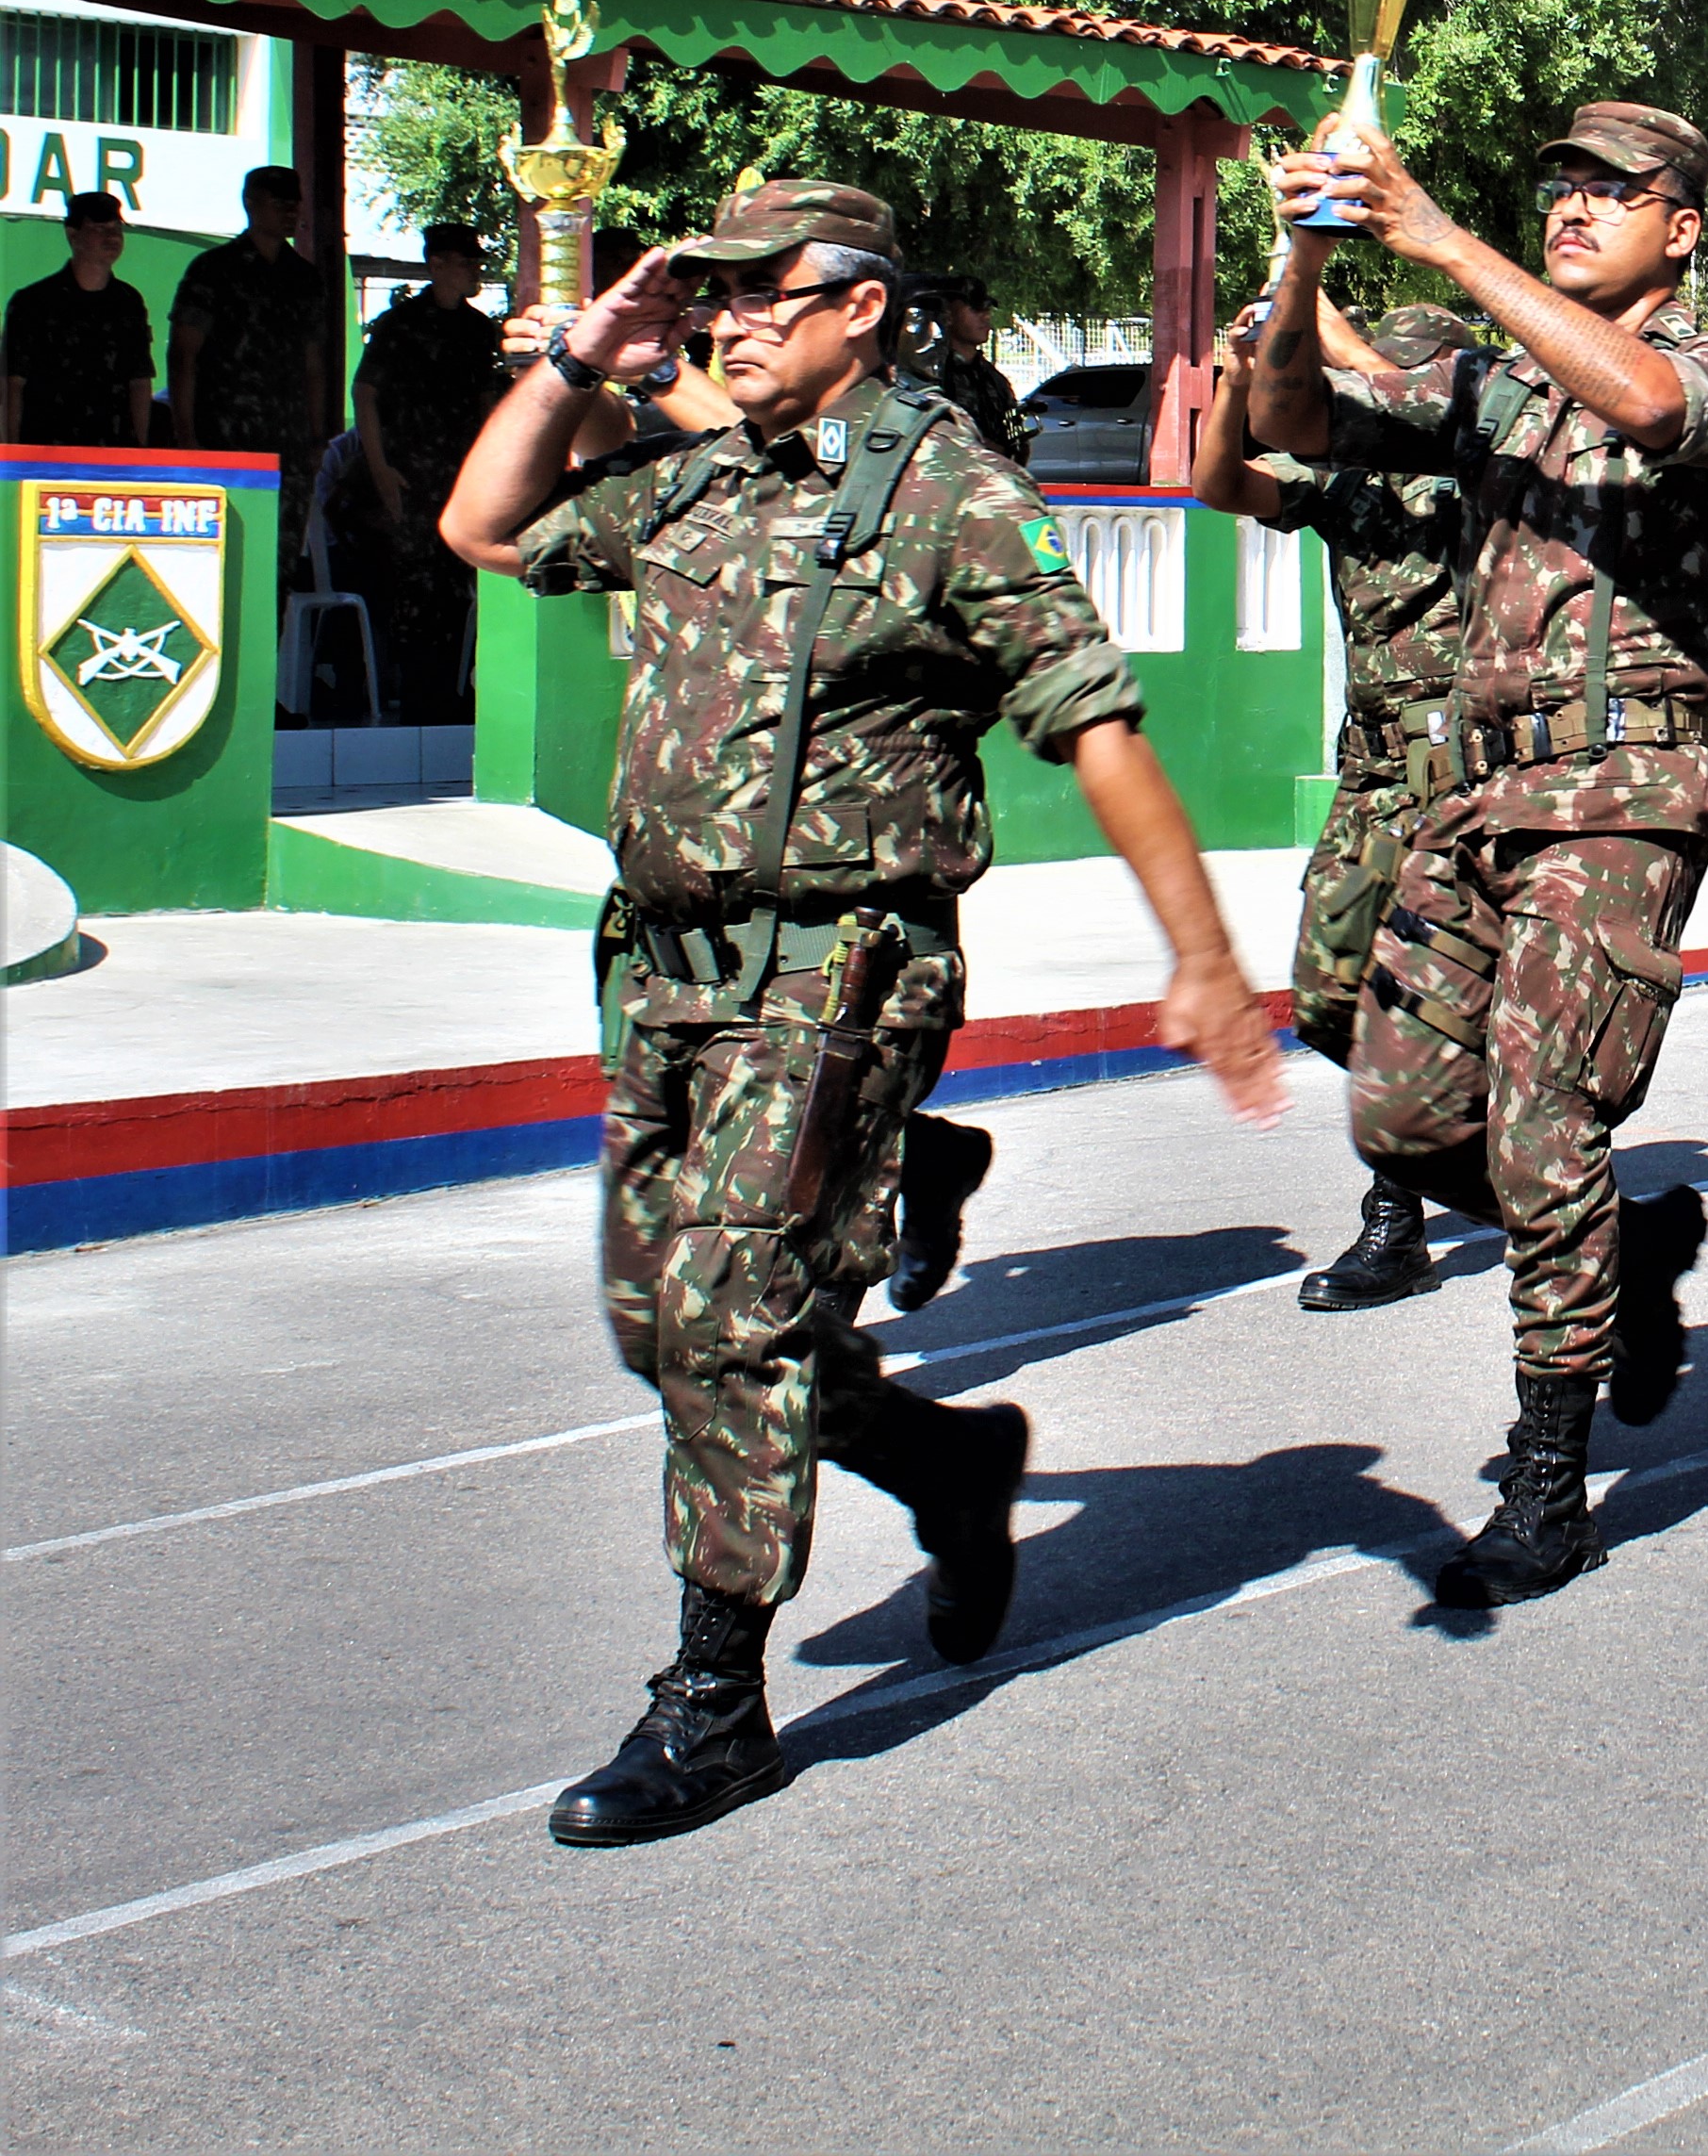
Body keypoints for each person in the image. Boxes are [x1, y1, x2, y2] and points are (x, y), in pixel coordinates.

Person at [441, 179, 1280, 1848]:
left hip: (836, 975)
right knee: (658, 1318)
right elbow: (483, 528)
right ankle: (948, 1466)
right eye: (714, 296)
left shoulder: (953, 495)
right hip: (668, 975)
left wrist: (1201, 961)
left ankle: (711, 1707)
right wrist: (568, 363)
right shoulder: (697, 475)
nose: (731, 319)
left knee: (729, 1320)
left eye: (769, 294)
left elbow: (1094, 721)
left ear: (863, 310)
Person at [1255, 104, 1708, 1605]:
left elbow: (1654, 410)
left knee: (1542, 1120)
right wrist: (1305, 260)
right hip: (1477, 796)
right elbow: (1289, 425)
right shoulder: (1493, 388)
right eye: (1559, 189)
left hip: (1621, 797)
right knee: (1402, 1114)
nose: (1572, 210)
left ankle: (1549, 1475)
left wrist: (1439, 238)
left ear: (1680, 227)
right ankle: (1619, 1253)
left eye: (1612, 194)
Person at [1193, 267, 1474, 1310]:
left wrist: (1328, 336)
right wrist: (1235, 379)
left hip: (1463, 767)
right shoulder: (1349, 479)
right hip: (1372, 766)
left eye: (1409, 380)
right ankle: (1472, 1159)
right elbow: (1222, 484)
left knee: (1425, 996)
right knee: (1327, 990)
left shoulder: (1476, 469)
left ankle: (1396, 1220)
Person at [352, 221, 509, 719]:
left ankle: (450, 701)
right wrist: (378, 468)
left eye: (476, 261)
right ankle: (415, 703)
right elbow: (365, 394)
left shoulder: (480, 330)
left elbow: (489, 406)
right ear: (436, 263)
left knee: (458, 590)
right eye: (464, 261)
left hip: (463, 478)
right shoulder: (399, 324)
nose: (473, 270)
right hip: (408, 476)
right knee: (412, 594)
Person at [171, 162, 336, 532]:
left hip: (287, 444)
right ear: (250, 203)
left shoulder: (305, 279)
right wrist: (186, 436)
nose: (290, 211)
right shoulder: (212, 269)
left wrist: (316, 438)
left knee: (282, 552)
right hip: (223, 436)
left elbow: (314, 365)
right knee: (225, 544)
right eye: (278, 202)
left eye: (294, 203)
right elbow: (184, 355)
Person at [2, 190, 155, 445]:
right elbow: (12, 385)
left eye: (116, 227)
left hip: (113, 451)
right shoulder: (33, 303)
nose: (112, 236)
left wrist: (141, 450)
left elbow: (139, 382)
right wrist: (11, 454)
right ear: (73, 235)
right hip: (47, 451)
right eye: (99, 228)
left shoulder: (129, 302)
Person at [910, 274, 1037, 465]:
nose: (985, 315)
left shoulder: (994, 380)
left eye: (986, 308)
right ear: (948, 313)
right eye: (975, 308)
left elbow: (1017, 442)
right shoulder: (927, 375)